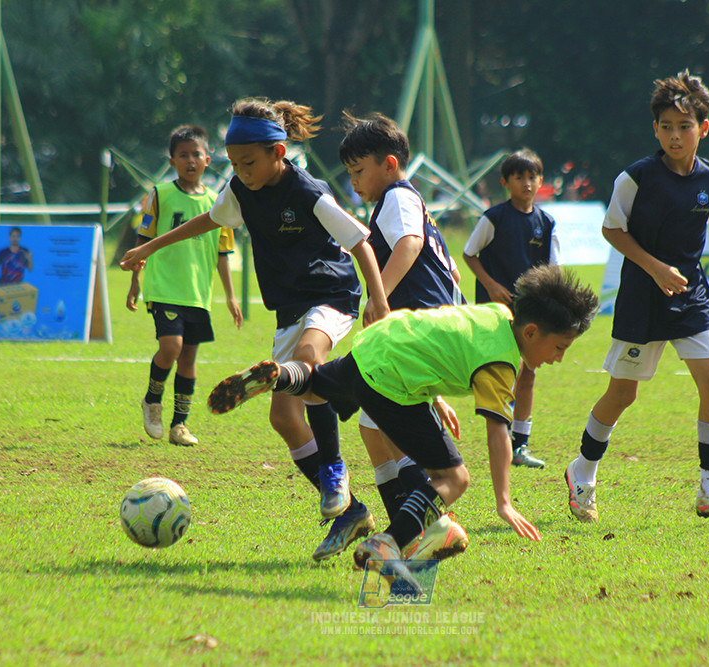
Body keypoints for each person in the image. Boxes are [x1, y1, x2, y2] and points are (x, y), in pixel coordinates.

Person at [121, 98, 390, 561]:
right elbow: (209, 220)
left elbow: (360, 241)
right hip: (289, 305)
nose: (242, 171)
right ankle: (353, 513)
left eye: (249, 163)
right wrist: (150, 248)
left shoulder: (308, 192)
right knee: (284, 417)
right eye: (235, 163)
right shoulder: (240, 191)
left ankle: (334, 469)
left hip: (332, 293)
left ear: (278, 153)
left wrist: (379, 299)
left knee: (308, 359)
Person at [208, 265, 600, 576]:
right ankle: (387, 544)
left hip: (379, 344)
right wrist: (504, 502)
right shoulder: (500, 365)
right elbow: (498, 433)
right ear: (531, 332)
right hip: (395, 382)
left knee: (313, 386)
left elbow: (444, 338)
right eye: (560, 347)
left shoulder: (497, 313)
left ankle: (281, 376)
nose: (559, 357)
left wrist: (437, 395)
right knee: (453, 479)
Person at [564, 70, 709, 525]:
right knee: (623, 393)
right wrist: (653, 266)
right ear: (655, 129)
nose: (675, 135)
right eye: (666, 126)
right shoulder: (636, 178)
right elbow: (611, 229)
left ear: (703, 129)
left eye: (684, 127)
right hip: (642, 298)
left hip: (691, 294)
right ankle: (582, 470)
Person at [338, 110, 463, 526]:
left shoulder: (398, 198)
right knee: (374, 429)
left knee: (394, 431)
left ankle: (420, 525)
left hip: (419, 329)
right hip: (425, 329)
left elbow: (409, 245)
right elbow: (450, 271)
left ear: (388, 164)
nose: (353, 182)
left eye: (358, 171)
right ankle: (407, 523)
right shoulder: (409, 202)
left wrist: (378, 297)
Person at [127, 124, 243, 447]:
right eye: (183, 155)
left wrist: (231, 296)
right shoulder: (159, 195)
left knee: (189, 358)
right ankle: (152, 399)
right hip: (164, 287)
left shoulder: (218, 203)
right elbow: (144, 240)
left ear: (208, 159)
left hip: (198, 293)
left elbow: (223, 253)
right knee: (172, 348)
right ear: (172, 160)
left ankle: (179, 425)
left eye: (196, 155)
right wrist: (135, 282)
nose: (190, 161)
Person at [462, 149, 558, 469]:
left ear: (540, 181)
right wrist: (490, 285)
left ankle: (521, 444)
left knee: (528, 373)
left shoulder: (546, 222)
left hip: (530, 310)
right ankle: (500, 436)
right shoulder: (494, 218)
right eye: (519, 178)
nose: (527, 184)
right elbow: (469, 253)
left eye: (532, 177)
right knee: (501, 372)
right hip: (497, 310)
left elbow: (552, 270)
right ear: (506, 182)